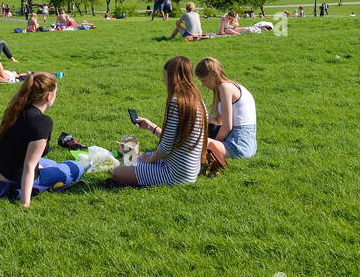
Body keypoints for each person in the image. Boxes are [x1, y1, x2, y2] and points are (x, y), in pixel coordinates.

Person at [0, 72, 83, 206]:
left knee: (52, 163)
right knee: (76, 167)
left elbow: (19, 149)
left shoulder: (18, 109)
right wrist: (25, 204)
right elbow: (29, 167)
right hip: (13, 179)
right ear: (49, 96)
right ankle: (29, 187)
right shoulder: (43, 122)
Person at [110, 56, 208, 187]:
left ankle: (133, 165)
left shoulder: (176, 103)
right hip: (189, 170)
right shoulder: (198, 102)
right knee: (135, 157)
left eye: (165, 76)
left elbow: (166, 145)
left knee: (117, 173)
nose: (164, 81)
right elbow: (176, 139)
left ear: (173, 78)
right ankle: (134, 162)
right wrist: (151, 127)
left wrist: (151, 159)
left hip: (174, 173)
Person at [196, 57, 257, 159]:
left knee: (192, 141)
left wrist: (213, 147)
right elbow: (218, 121)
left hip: (238, 143)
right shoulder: (230, 86)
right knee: (196, 136)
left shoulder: (225, 88)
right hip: (246, 142)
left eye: (204, 80)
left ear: (214, 75)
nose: (203, 85)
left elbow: (227, 126)